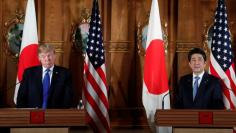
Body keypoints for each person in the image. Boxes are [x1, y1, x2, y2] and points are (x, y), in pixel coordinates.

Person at [16, 44, 75, 108]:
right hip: (33, 115)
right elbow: (21, 98)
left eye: (49, 55)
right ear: (39, 58)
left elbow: (68, 99)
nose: (47, 59)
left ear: (54, 56)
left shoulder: (65, 74)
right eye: (43, 56)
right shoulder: (29, 73)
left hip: (56, 115)